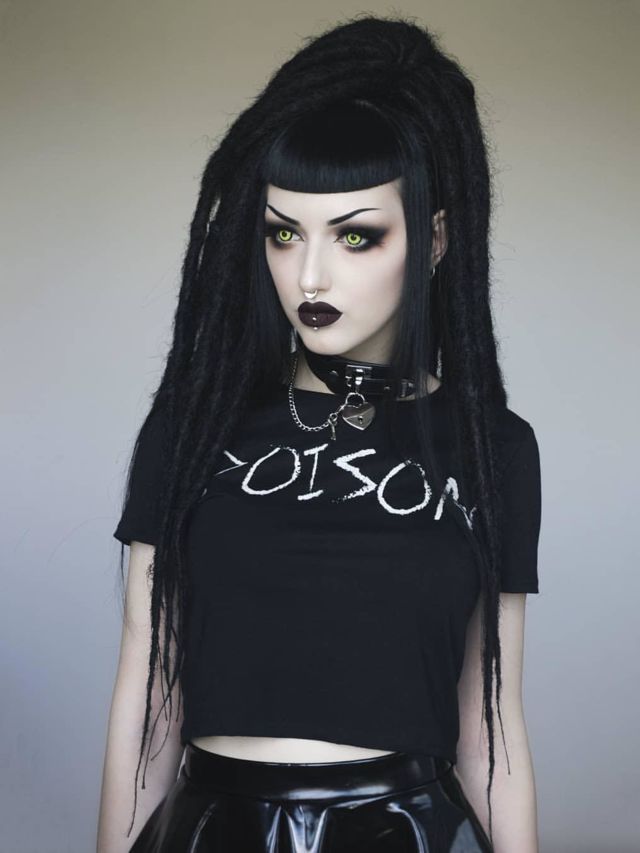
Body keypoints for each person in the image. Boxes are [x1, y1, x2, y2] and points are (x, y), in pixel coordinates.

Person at [97, 14, 542, 853]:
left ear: (434, 239)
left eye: (356, 235)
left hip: (404, 831)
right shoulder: (191, 426)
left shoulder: (493, 449)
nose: (309, 275)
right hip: (212, 830)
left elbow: (491, 727)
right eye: (283, 232)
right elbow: (149, 696)